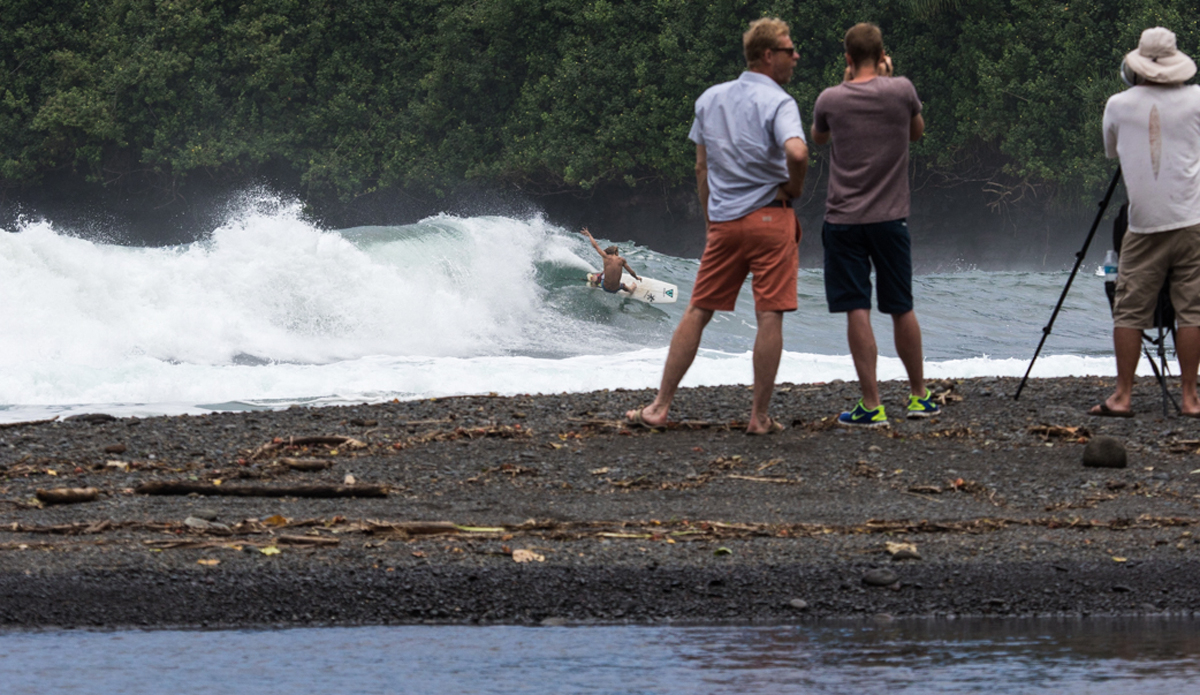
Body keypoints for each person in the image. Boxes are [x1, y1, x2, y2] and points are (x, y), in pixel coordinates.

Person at [625, 17, 808, 435]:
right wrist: (792, 191)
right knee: (769, 315)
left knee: (698, 310)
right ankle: (759, 417)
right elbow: (797, 153)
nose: (795, 56)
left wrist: (712, 217)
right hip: (770, 217)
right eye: (788, 50)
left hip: (725, 223)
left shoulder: (709, 99)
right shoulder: (780, 103)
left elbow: (702, 167)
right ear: (767, 55)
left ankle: (659, 407)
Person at [810, 22, 939, 428]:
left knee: (857, 308)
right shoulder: (901, 90)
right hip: (890, 218)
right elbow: (917, 133)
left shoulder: (831, 97)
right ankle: (919, 396)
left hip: (844, 219)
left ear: (847, 58)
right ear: (883, 55)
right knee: (902, 307)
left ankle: (872, 403)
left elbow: (818, 139)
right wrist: (887, 80)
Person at [1091, 27, 1200, 418]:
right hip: (1192, 219)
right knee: (1192, 309)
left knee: (1130, 307)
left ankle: (1123, 396)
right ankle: (1191, 398)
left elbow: (1111, 151)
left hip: (1144, 223)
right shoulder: (1197, 99)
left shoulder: (1118, 104)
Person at [580, 227, 640, 293]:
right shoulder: (622, 260)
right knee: (623, 286)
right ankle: (631, 289)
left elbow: (596, 246)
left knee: (601, 274)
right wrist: (636, 277)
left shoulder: (605, 257)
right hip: (615, 289)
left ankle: (595, 282)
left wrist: (589, 235)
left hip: (605, 287)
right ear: (616, 252)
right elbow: (631, 272)